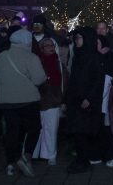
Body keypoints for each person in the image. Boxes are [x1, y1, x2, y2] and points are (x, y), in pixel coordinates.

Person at [0, 26, 46, 177]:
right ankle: (26, 156)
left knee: (11, 131)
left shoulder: (2, 56)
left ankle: (10, 163)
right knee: (33, 128)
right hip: (28, 100)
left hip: (6, 101)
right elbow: (39, 79)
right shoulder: (31, 57)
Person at [65, 26, 113, 173]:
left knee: (93, 130)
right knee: (80, 131)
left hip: (89, 101)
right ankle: (83, 159)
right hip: (77, 99)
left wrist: (88, 97)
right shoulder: (79, 55)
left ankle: (109, 153)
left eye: (79, 38)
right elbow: (74, 79)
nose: (76, 40)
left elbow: (98, 80)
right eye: (75, 38)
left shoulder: (94, 57)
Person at [33, 35, 67, 165]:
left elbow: (65, 82)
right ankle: (35, 153)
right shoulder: (37, 62)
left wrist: (63, 100)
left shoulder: (59, 64)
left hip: (54, 99)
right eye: (47, 46)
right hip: (39, 99)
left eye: (52, 45)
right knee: (37, 128)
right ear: (42, 48)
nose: (50, 48)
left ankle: (50, 154)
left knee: (51, 129)